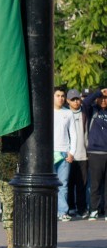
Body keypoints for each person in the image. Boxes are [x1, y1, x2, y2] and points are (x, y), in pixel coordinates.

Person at [53, 86, 77, 221]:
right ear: (52, 97)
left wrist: (72, 152)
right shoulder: (46, 112)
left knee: (63, 184)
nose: (60, 98)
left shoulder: (68, 113)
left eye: (62, 96)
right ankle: (51, 211)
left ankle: (62, 212)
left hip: (64, 153)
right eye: (58, 96)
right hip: (49, 153)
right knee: (49, 185)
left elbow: (74, 133)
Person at [84, 88, 107, 219]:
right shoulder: (92, 110)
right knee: (95, 184)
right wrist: (99, 92)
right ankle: (94, 210)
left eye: (106, 98)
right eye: (101, 98)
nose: (103, 100)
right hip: (95, 152)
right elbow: (85, 102)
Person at [66, 89, 89, 217]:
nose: (76, 102)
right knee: (69, 183)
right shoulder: (65, 113)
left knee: (82, 184)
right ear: (68, 101)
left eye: (77, 99)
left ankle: (81, 208)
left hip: (83, 154)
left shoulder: (85, 113)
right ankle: (70, 207)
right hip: (69, 155)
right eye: (73, 99)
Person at [0, 133, 20, 248]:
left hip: (7, 182)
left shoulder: (6, 156)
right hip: (9, 180)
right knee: (9, 210)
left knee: (8, 210)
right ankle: (12, 244)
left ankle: (11, 245)